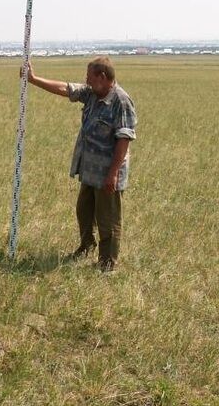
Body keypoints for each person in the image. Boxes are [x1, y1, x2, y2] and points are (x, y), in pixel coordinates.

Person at [25, 56, 137, 271]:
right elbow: (66, 89)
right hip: (89, 171)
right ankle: (86, 245)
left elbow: (124, 140)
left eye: (89, 77)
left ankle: (107, 263)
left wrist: (113, 174)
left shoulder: (121, 102)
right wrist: (34, 79)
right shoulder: (92, 94)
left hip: (107, 174)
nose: (86, 81)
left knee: (108, 220)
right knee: (84, 211)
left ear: (102, 77)